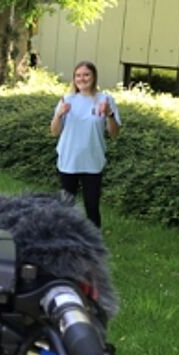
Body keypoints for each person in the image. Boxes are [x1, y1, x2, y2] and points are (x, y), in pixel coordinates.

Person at [50, 61, 121, 229]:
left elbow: (114, 133)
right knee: (66, 204)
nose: (82, 79)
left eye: (86, 75)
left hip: (93, 160)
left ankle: (93, 240)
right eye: (78, 75)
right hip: (69, 159)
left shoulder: (106, 100)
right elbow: (54, 132)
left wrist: (109, 114)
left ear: (94, 77)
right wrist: (59, 115)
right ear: (74, 79)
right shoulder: (66, 100)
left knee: (92, 204)